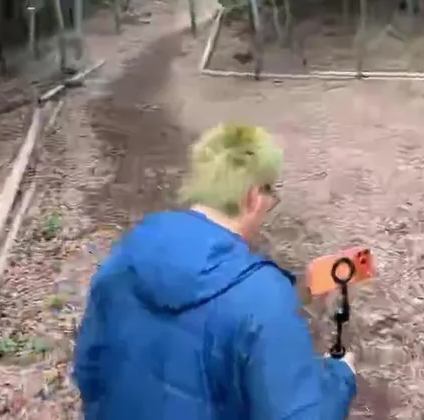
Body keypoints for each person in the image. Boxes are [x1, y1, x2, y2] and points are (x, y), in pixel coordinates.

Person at [73, 123, 357, 420]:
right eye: (270, 194)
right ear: (253, 197)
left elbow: (88, 367)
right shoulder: (264, 300)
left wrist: (296, 289)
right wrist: (340, 377)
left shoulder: (126, 254)